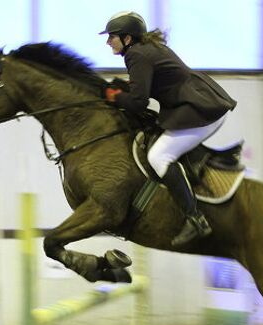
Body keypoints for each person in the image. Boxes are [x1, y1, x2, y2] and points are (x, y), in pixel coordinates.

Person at [99, 11, 237, 247]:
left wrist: (113, 96)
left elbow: (138, 102)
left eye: (112, 36)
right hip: (199, 103)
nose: (107, 41)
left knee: (159, 156)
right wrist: (120, 91)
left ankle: (195, 219)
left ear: (127, 38)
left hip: (201, 110)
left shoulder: (136, 55)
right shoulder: (144, 49)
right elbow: (140, 91)